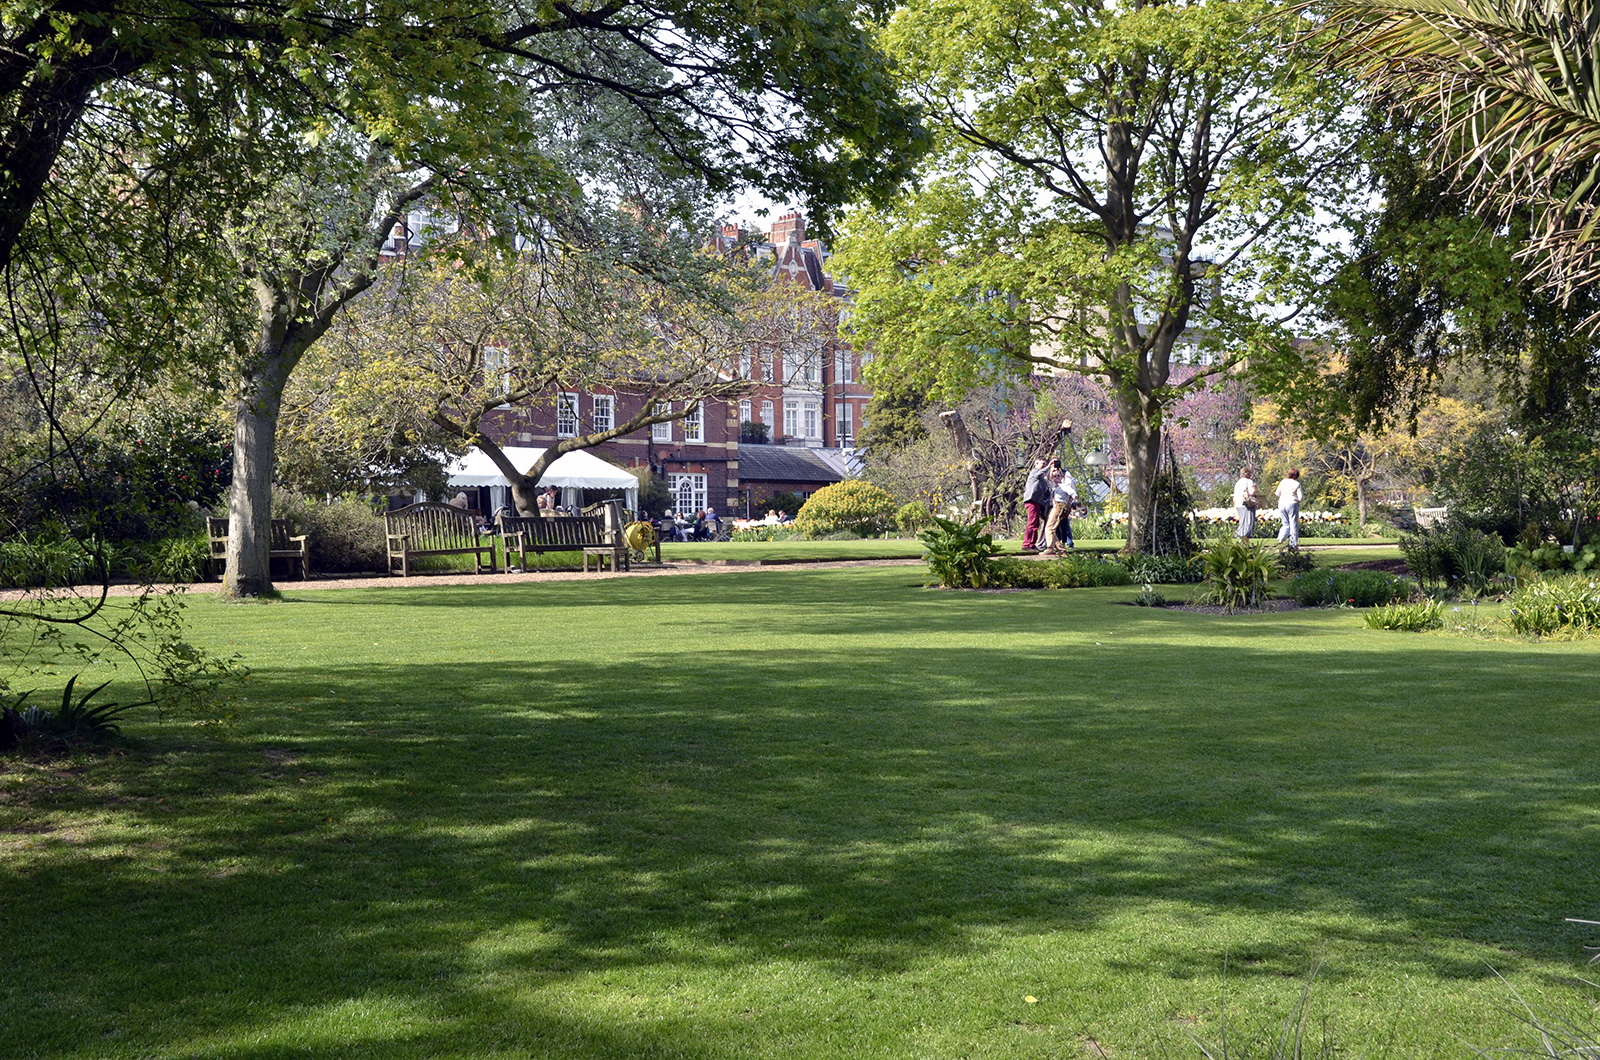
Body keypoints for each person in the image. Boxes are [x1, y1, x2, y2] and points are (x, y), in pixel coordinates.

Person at [1044, 465, 1077, 553]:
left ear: (1062, 477)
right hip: (1054, 507)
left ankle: (1050, 548)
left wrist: (1072, 497)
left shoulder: (1064, 486)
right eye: (1054, 476)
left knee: (1049, 528)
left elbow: (1072, 492)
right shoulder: (1053, 487)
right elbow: (1046, 479)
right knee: (1049, 529)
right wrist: (1050, 468)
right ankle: (1061, 548)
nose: (1057, 478)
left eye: (1058, 476)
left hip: (1060, 506)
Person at [1021, 457, 1051, 551]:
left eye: (1045, 464)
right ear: (1036, 464)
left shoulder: (1041, 477)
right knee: (1032, 522)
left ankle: (1032, 544)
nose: (1044, 465)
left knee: (1036, 523)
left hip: (1037, 501)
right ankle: (1026, 544)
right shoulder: (1035, 472)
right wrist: (1049, 466)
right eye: (1042, 463)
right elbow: (1038, 473)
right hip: (1032, 501)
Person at [1275, 468, 1304, 547]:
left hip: (1282, 503)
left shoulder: (1283, 482)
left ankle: (1281, 537)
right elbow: (1300, 497)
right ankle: (1293, 544)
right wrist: (1297, 500)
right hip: (1292, 503)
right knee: (1293, 524)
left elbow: (1277, 493)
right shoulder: (1296, 484)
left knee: (1285, 523)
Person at [1233, 467, 1258, 539]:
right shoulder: (1249, 481)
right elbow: (1252, 491)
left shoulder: (1238, 483)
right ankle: (1240, 537)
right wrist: (1255, 487)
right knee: (1248, 523)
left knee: (1243, 523)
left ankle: (1245, 542)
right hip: (1247, 504)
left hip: (1239, 504)